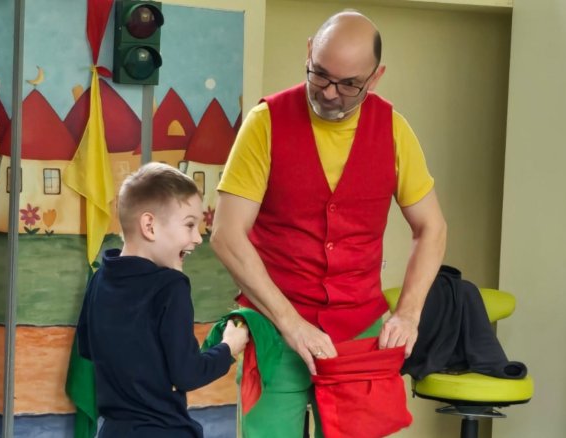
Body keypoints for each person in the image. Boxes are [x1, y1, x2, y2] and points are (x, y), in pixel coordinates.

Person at [210, 9, 447, 437]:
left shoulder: (394, 130)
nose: (330, 93)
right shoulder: (265, 124)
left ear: (375, 78)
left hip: (359, 334)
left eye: (349, 83)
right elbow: (227, 235)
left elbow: (432, 227)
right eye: (319, 75)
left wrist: (409, 313)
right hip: (273, 329)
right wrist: (290, 322)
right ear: (308, 52)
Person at [76, 162, 249, 438]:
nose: (197, 238)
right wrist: (228, 348)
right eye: (190, 225)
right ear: (149, 225)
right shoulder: (171, 287)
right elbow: (187, 373)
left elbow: (87, 349)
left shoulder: (99, 279)